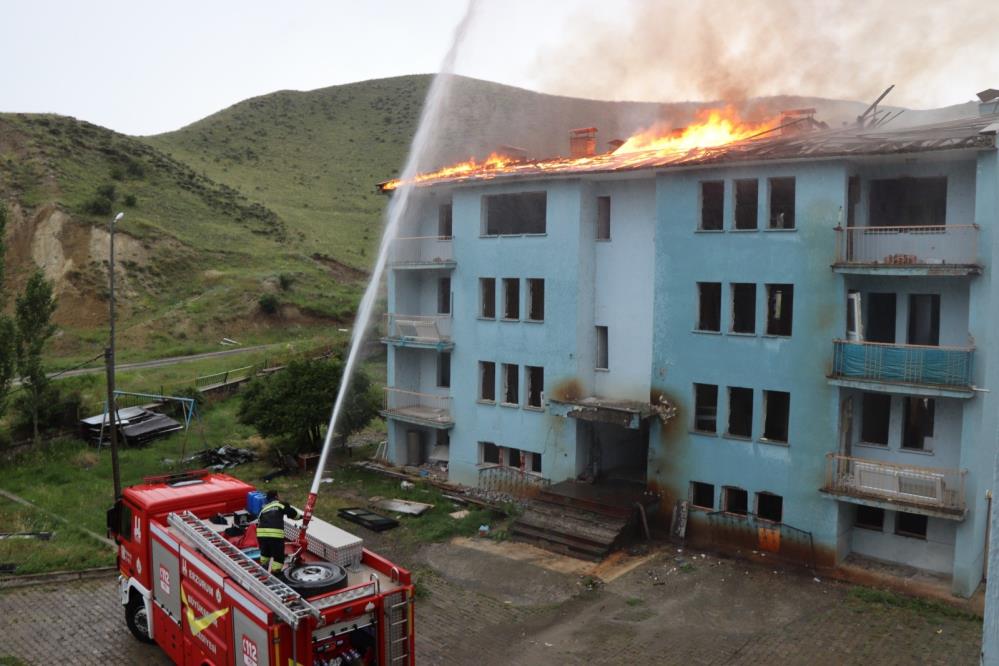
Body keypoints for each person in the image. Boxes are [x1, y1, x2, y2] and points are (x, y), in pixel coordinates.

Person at [256, 490, 302, 575]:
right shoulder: (280, 504)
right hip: (275, 535)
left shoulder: (264, 508)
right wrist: (301, 517)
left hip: (261, 535)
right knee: (278, 558)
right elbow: (292, 514)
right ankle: (275, 575)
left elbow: (259, 521)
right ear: (276, 496)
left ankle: (263, 569)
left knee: (265, 553)